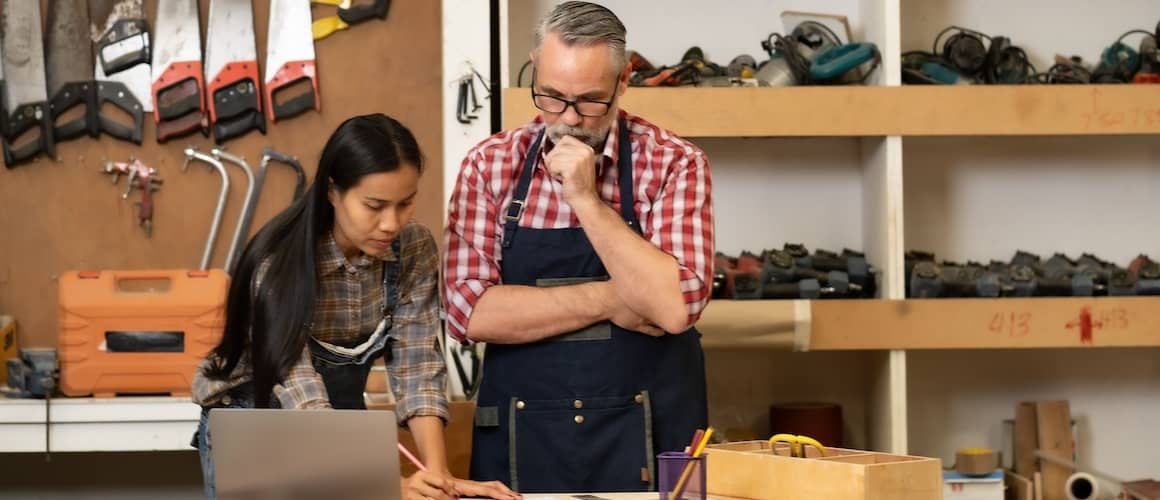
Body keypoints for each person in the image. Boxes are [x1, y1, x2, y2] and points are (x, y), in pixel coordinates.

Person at [443, 2, 715, 493]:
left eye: (590, 101)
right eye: (550, 97)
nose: (567, 120)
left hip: (656, 434)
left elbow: (674, 309)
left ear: (624, 82)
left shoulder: (676, 164)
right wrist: (615, 297)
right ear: (535, 68)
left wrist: (586, 200)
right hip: (520, 442)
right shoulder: (489, 166)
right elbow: (470, 313)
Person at [191, 114, 519, 500]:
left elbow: (417, 368)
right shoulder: (278, 263)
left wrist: (439, 477)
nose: (391, 223)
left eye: (405, 203)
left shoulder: (413, 249)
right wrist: (388, 487)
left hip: (336, 417)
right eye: (374, 205)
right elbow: (303, 395)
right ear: (333, 191)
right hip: (255, 420)